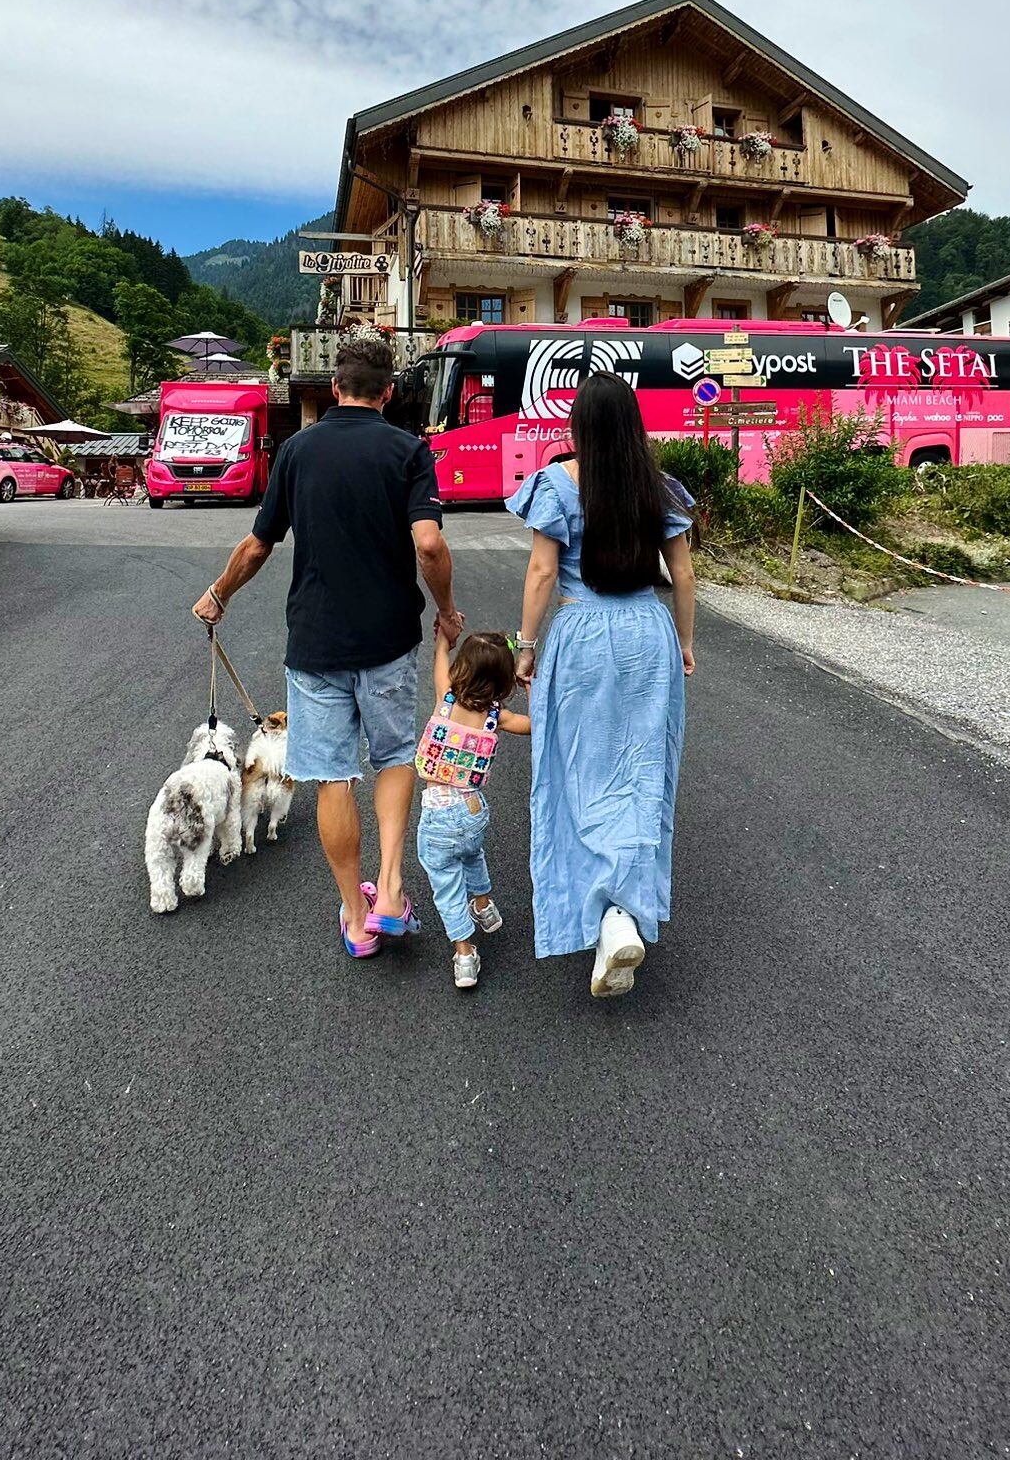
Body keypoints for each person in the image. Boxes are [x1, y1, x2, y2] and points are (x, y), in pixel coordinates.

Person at [191, 337, 462, 958]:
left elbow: (258, 544)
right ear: (388, 392)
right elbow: (429, 546)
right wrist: (446, 612)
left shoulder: (296, 451)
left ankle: (356, 914)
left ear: (335, 387)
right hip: (390, 638)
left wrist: (218, 593)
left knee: (331, 775)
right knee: (395, 757)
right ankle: (392, 890)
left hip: (315, 643)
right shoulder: (409, 451)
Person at [506, 372, 696, 1000]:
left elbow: (540, 572)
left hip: (581, 634)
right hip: (648, 632)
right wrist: (686, 641)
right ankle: (626, 910)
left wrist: (526, 648)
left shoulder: (558, 483)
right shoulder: (660, 488)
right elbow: (684, 574)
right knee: (641, 772)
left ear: (579, 425)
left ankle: (604, 913)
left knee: (578, 771)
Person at [414, 627, 530, 989]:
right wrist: (532, 690)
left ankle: (465, 953)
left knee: (446, 880)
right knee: (472, 854)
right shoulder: (499, 718)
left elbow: (439, 660)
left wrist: (443, 637)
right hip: (474, 809)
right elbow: (537, 725)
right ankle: (483, 905)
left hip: (438, 813)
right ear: (504, 680)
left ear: (461, 668)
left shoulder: (444, 697)